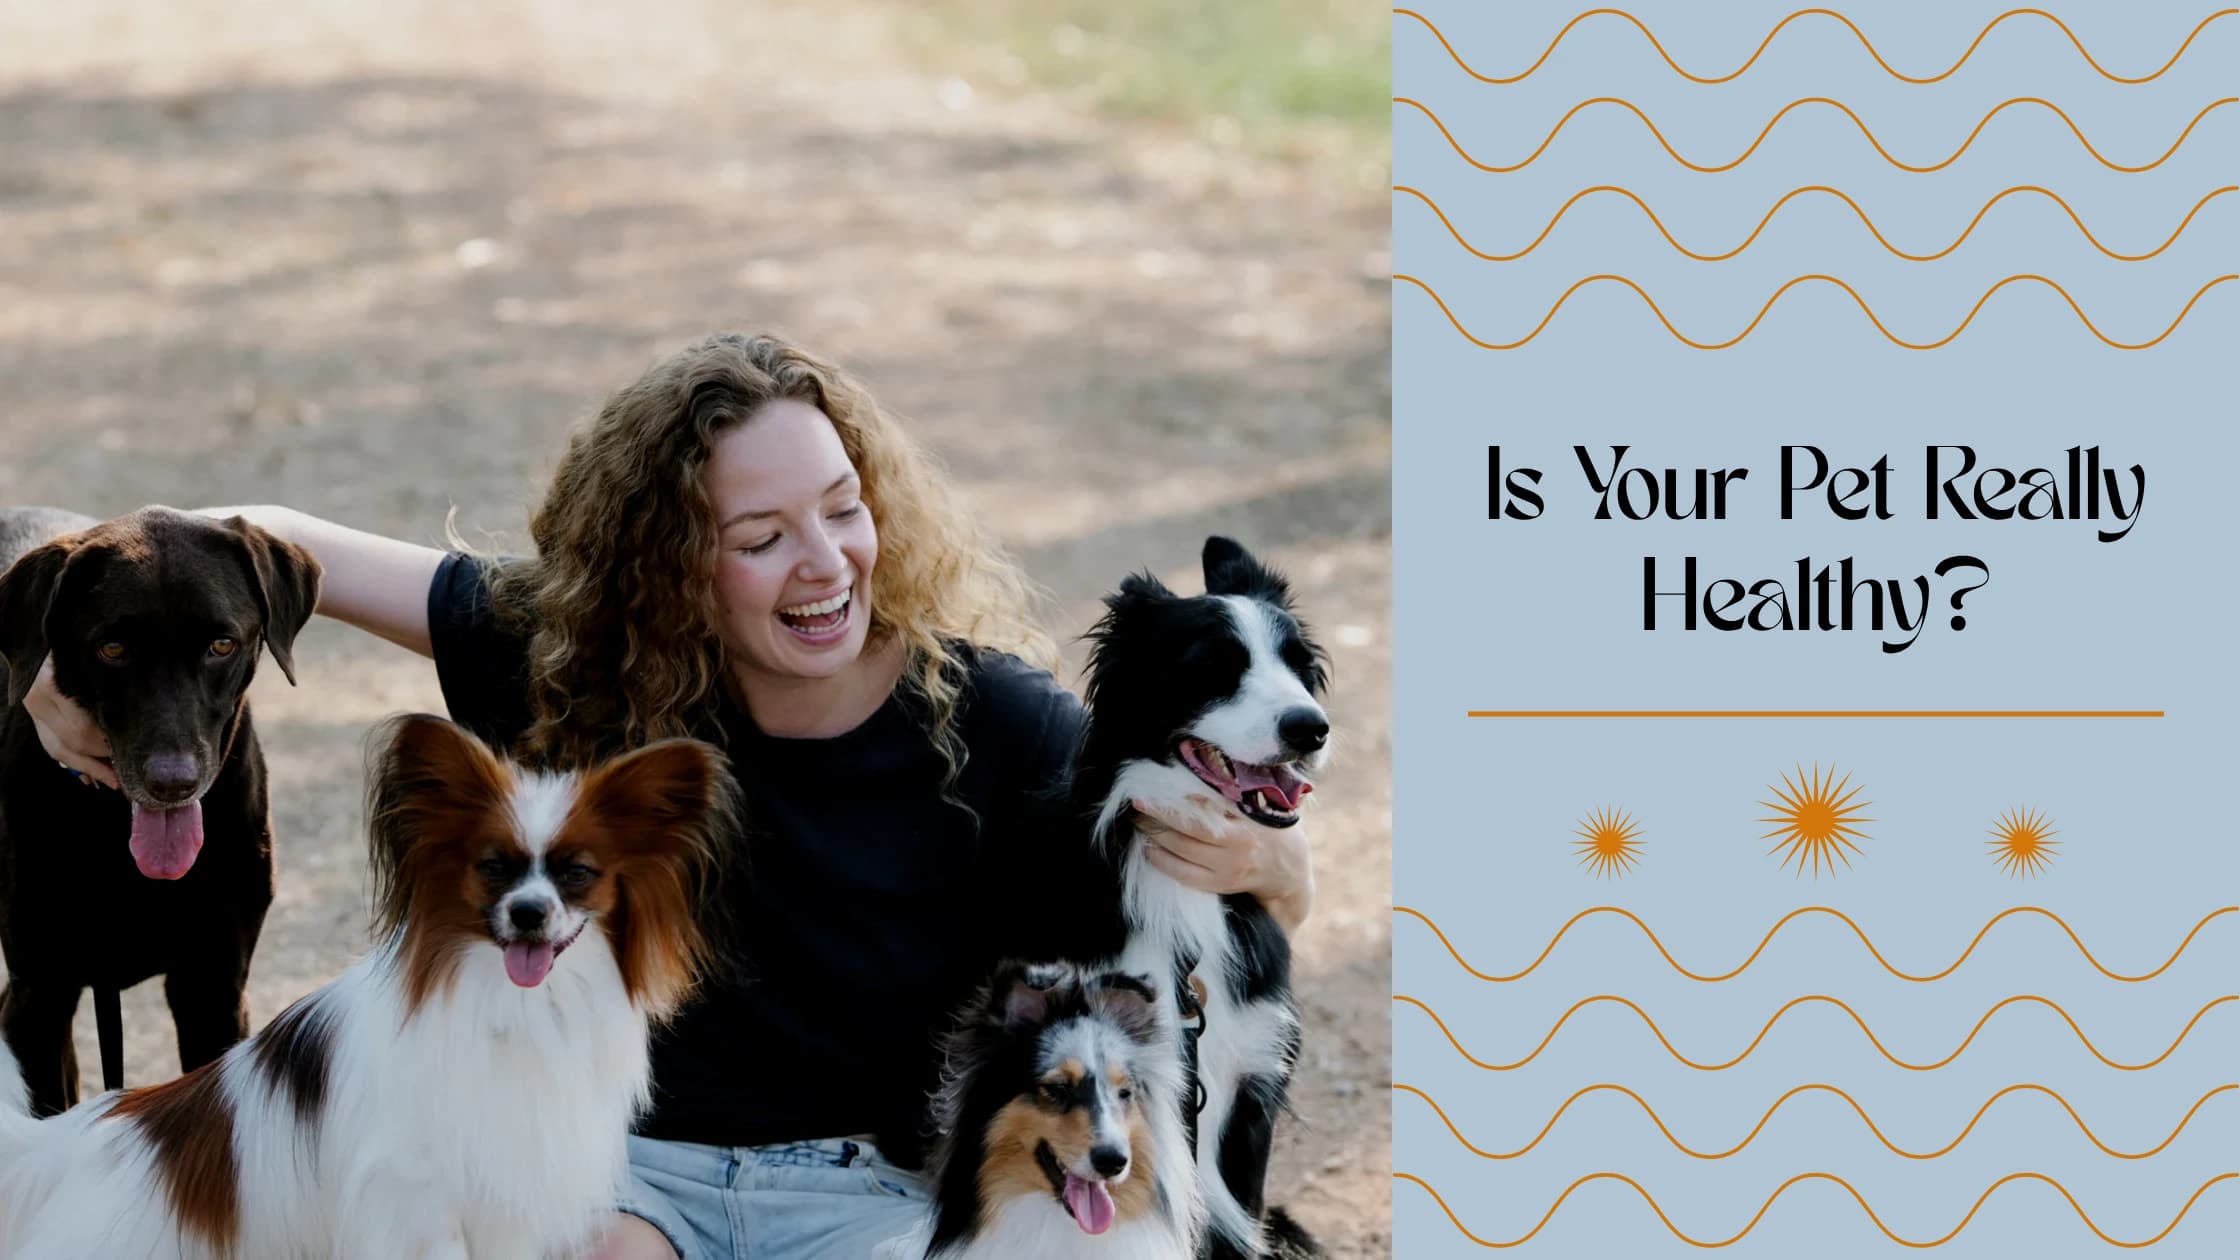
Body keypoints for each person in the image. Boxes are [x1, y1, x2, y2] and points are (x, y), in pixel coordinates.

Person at [19, 332, 1316, 1260]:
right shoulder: (571, 667)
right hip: (628, 1186)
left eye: (844, 511)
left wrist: (1279, 870)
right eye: (760, 539)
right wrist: (43, 671)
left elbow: (1185, 836)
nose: (824, 565)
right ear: (668, 568)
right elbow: (237, 524)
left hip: (867, 1193)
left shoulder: (994, 722)